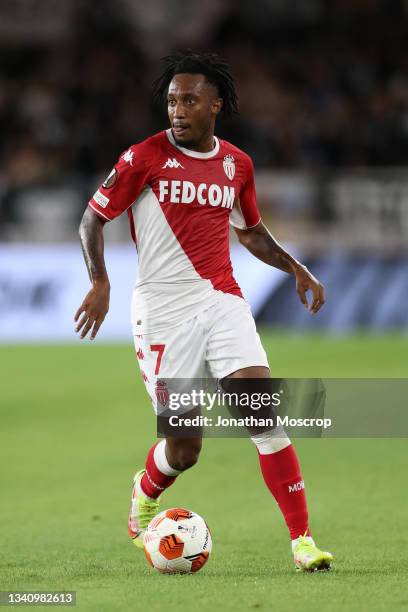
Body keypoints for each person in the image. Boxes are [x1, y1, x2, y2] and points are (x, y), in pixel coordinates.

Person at [75, 50, 333, 572]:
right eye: (171, 101)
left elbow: (252, 232)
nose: (177, 110)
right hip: (162, 315)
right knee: (186, 447)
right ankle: (145, 491)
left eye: (189, 100)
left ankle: (302, 541)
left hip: (221, 302)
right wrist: (100, 280)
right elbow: (91, 220)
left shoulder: (237, 164)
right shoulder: (141, 158)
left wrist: (296, 268)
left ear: (215, 105)